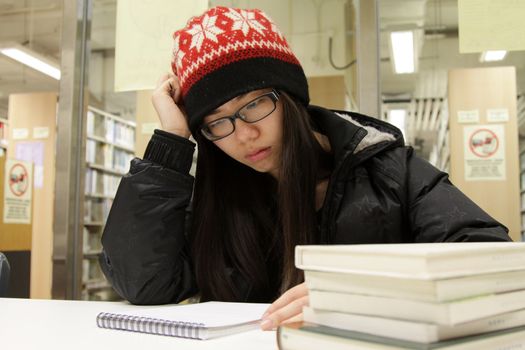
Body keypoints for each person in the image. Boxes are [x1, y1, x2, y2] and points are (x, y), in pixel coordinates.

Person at [99, 6, 511, 331]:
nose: (242, 134)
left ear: (291, 97)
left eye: (255, 104)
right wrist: (170, 142)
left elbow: (493, 262)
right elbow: (144, 285)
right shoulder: (219, 198)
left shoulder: (388, 171)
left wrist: (363, 295)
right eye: (216, 122)